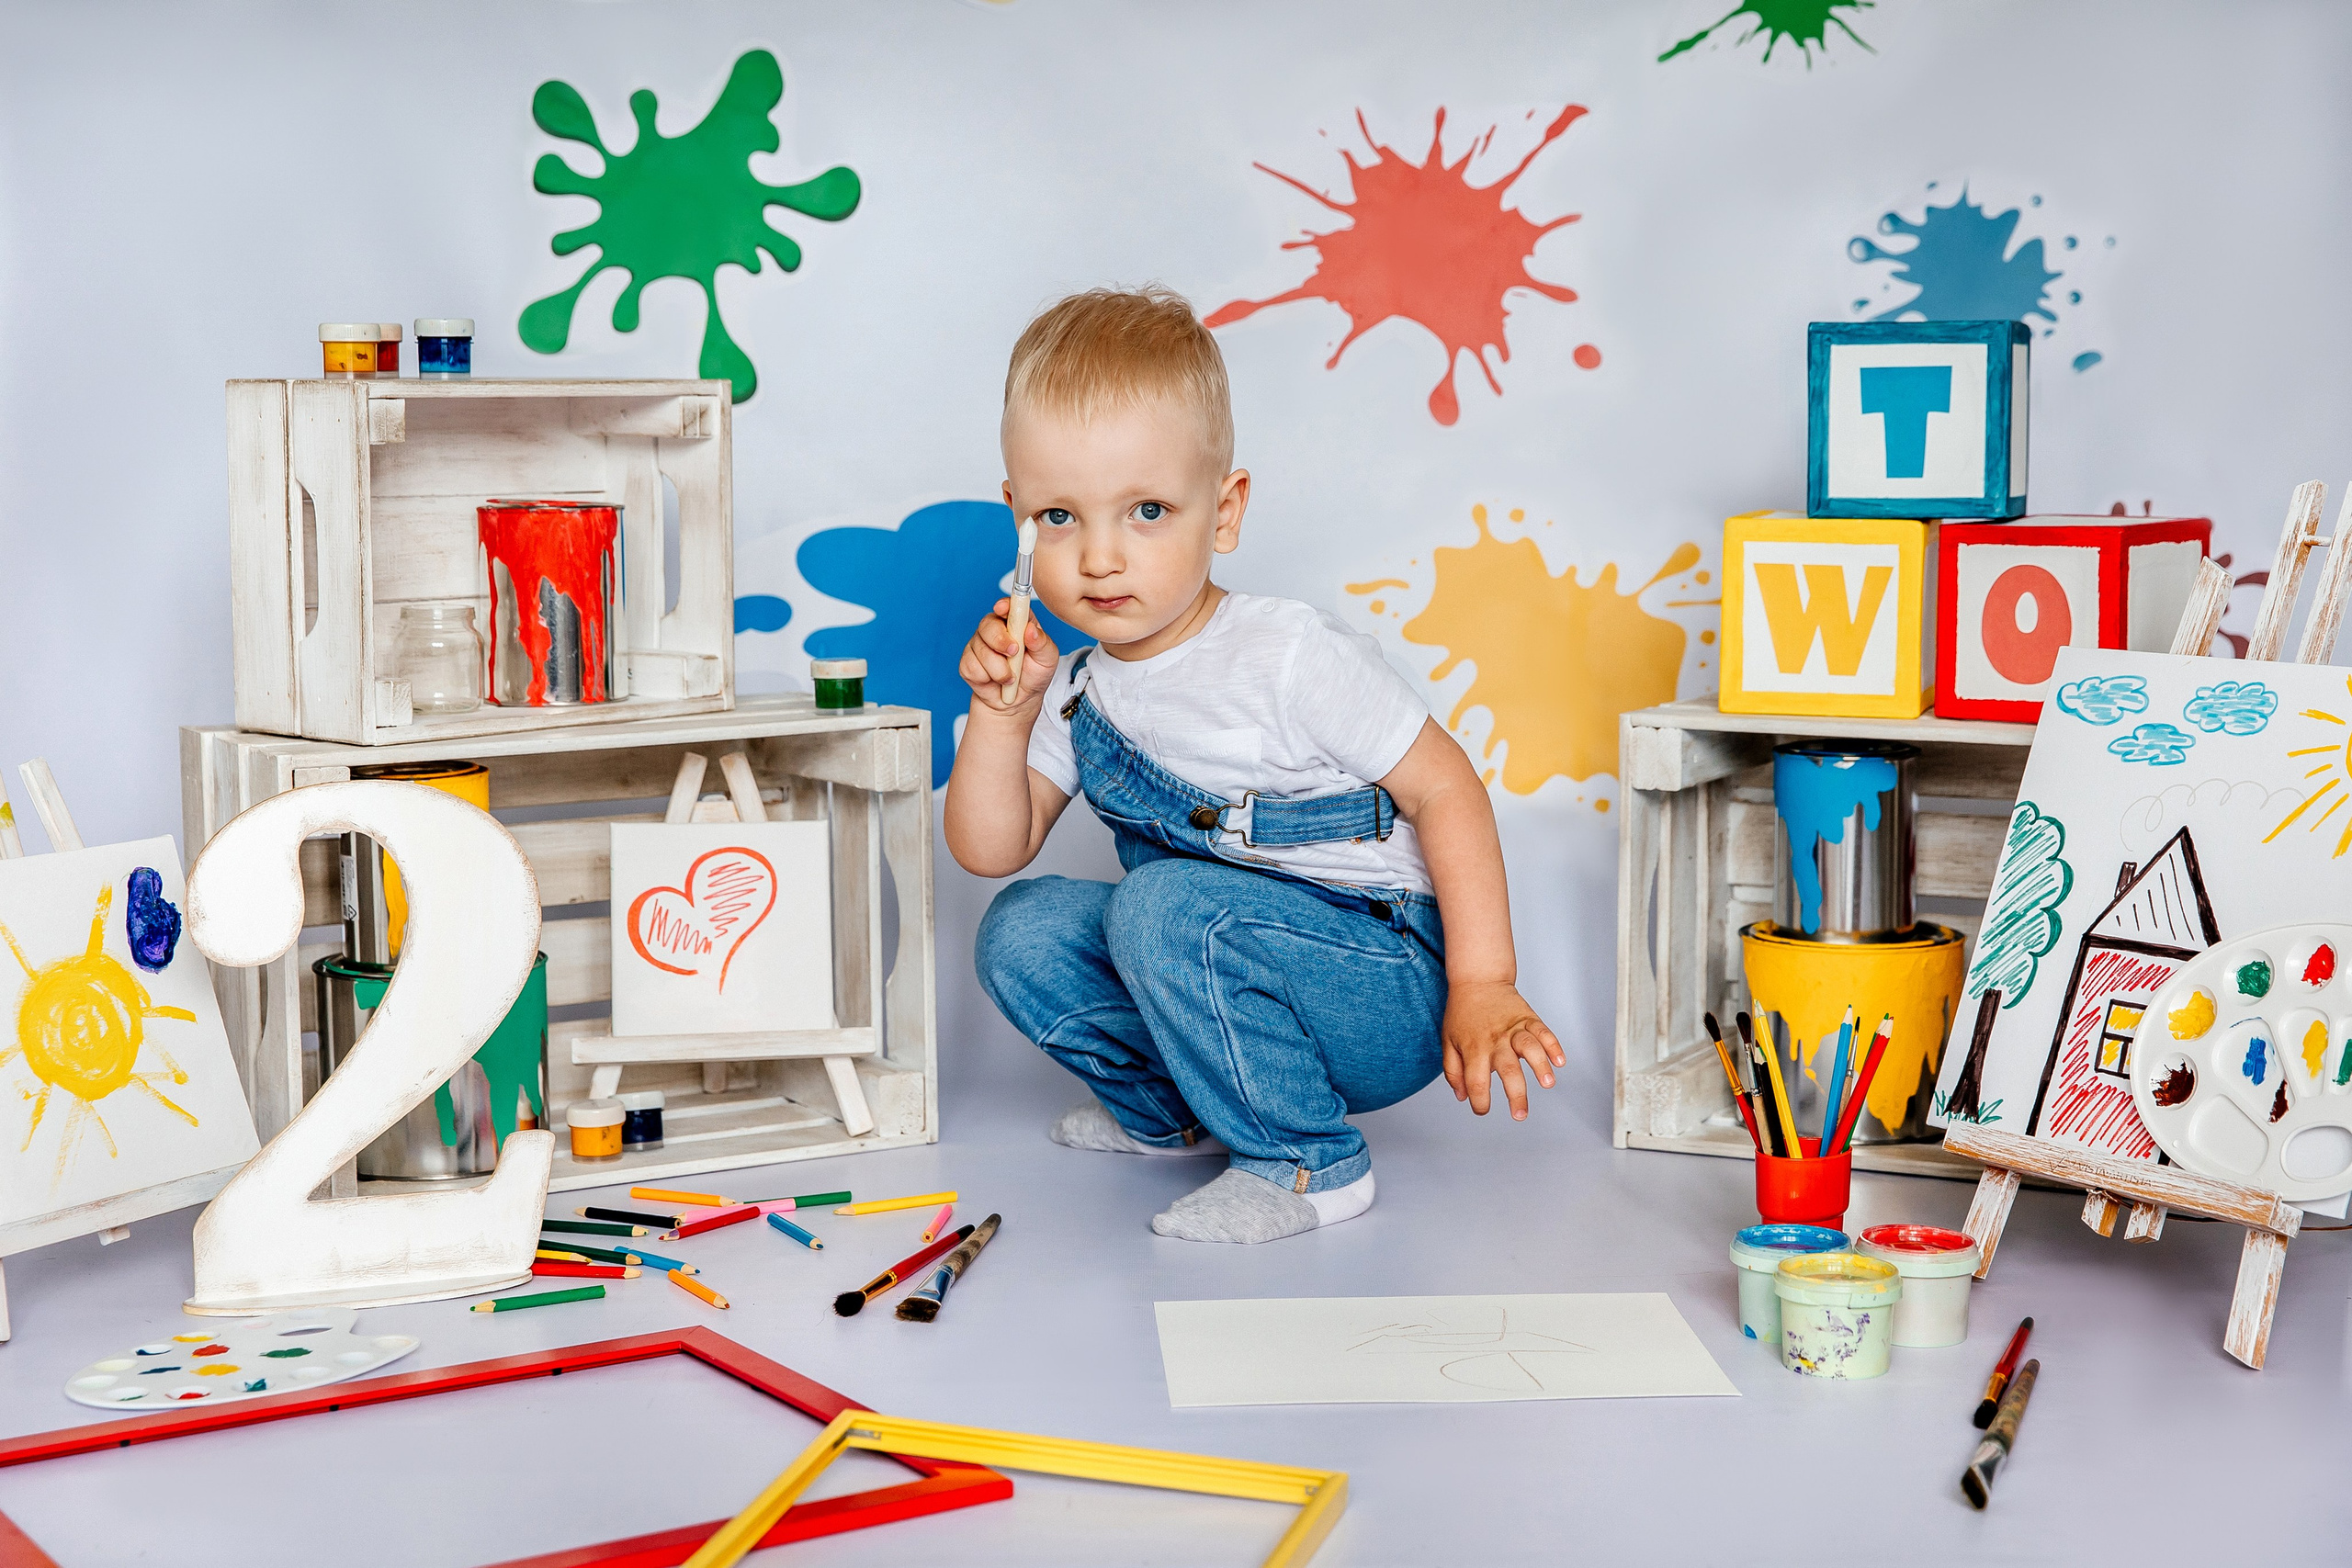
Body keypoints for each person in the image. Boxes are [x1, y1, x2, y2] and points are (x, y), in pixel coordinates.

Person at [944, 286, 1561, 1244]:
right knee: (1021, 928)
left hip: (1381, 980)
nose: (1100, 557)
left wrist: (1483, 982)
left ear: (1223, 511)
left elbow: (1446, 788)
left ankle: (1311, 1164)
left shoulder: (1287, 655)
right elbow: (992, 848)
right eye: (1061, 517)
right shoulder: (1073, 689)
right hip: (1210, 962)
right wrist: (1001, 712)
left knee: (1164, 903)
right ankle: (1180, 1116)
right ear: (1017, 518)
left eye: (1146, 510)